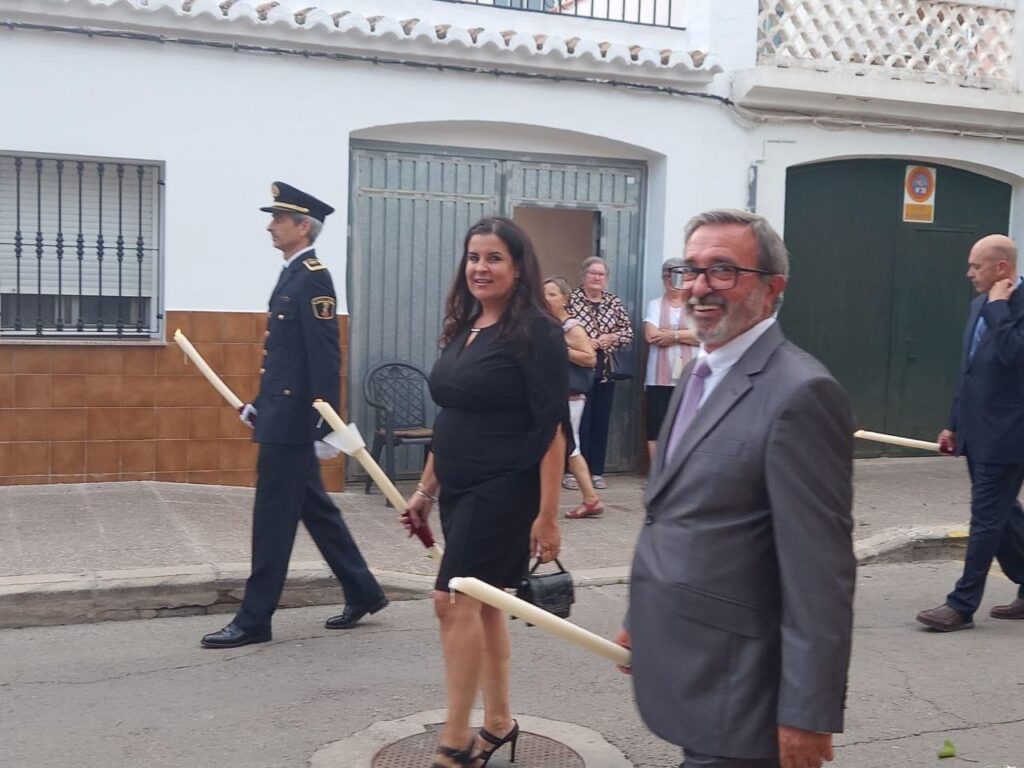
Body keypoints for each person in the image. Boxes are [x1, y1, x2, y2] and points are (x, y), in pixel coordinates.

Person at [615, 209, 856, 768]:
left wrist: (807, 711)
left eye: (723, 270)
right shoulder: (698, 372)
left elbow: (820, 572)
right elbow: (676, 514)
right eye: (689, 270)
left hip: (742, 693)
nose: (699, 287)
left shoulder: (802, 394)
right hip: (690, 666)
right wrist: (642, 614)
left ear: (773, 288)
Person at [402, 217, 567, 768]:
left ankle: (456, 742)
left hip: (505, 488)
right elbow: (454, 413)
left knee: (451, 600)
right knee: (488, 606)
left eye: (494, 257)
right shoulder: (466, 326)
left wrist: (548, 515)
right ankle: (498, 724)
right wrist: (426, 490)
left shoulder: (537, 332)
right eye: (474, 257)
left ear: (518, 267)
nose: (480, 267)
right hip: (459, 487)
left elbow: (552, 428)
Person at [201, 182, 387, 649]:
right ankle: (363, 589)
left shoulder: (312, 276)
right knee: (315, 510)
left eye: (278, 219)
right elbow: (285, 359)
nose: (270, 225)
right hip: (281, 415)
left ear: (302, 227)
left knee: (271, 520)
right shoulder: (293, 272)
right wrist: (260, 405)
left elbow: (324, 356)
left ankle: (254, 618)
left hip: (293, 425)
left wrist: (327, 423)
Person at [917, 234, 1024, 632]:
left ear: (1001, 267)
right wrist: (953, 423)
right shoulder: (978, 304)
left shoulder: (1002, 306)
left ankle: (961, 606)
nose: (969, 273)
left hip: (1009, 434)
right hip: (976, 431)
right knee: (1004, 516)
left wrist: (1000, 306)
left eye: (976, 266)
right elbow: (970, 371)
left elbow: (1015, 355)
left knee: (985, 518)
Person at [567, 256, 634, 490]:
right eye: (592, 273)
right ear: (584, 276)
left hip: (605, 370)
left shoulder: (613, 302)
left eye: (601, 274)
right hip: (577, 370)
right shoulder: (572, 300)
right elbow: (560, 327)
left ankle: (596, 471)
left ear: (606, 279)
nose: (597, 277)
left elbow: (628, 332)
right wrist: (585, 342)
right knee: (578, 422)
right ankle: (574, 472)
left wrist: (611, 338)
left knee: (600, 421)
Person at [543, 276, 603, 519]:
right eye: (543, 294)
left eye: (552, 294)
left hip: (570, 397)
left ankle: (590, 498)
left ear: (565, 299)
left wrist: (561, 349)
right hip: (554, 395)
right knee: (566, 446)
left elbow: (590, 358)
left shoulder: (572, 327)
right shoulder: (549, 326)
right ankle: (590, 498)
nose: (546, 299)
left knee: (569, 446)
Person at [643, 256, 698, 462]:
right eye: (668, 276)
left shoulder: (696, 306)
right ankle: (657, 474)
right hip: (658, 376)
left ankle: (680, 471)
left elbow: (702, 335)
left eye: (679, 275)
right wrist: (686, 334)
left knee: (686, 423)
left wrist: (672, 335)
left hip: (688, 375)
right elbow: (651, 335)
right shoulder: (655, 304)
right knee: (656, 424)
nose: (673, 281)